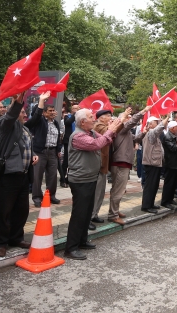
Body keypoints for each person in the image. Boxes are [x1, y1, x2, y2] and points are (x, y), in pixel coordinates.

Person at [65, 109, 122, 260]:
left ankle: (82, 241)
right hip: (80, 180)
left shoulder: (90, 132)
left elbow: (105, 140)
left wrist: (113, 129)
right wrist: (110, 130)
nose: (94, 119)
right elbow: (97, 144)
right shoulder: (78, 136)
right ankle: (71, 248)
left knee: (86, 212)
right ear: (82, 122)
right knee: (79, 214)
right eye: (91, 117)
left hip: (90, 177)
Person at [0, 93, 38, 258]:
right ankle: (0, 242)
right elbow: (11, 115)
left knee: (21, 210)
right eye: (22, 111)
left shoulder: (24, 128)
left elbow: (25, 147)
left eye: (25, 111)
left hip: (23, 175)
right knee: (4, 211)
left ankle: (16, 238)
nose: (25, 114)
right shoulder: (6, 124)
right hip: (8, 176)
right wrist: (17, 102)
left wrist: (33, 155)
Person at [107, 106, 149, 225]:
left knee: (118, 189)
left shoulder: (126, 132)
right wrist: (143, 112)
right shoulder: (120, 129)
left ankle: (114, 210)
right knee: (118, 190)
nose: (129, 120)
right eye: (127, 118)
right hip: (120, 162)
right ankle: (113, 215)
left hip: (123, 162)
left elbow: (135, 139)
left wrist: (143, 133)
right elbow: (131, 123)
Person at [25, 91, 62, 207]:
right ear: (44, 113)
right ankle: (37, 197)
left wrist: (58, 149)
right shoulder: (40, 121)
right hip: (40, 152)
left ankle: (50, 195)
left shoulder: (56, 123)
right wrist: (42, 101)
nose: (53, 112)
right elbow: (36, 113)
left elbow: (58, 137)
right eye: (50, 111)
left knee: (52, 175)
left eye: (53, 110)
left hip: (52, 152)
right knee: (37, 176)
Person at [89, 110, 125, 228]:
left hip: (104, 164)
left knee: (100, 192)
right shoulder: (98, 126)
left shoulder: (104, 126)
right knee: (95, 192)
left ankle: (94, 214)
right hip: (98, 164)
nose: (110, 118)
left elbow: (114, 132)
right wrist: (122, 119)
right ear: (100, 118)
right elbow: (109, 132)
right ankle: (89, 217)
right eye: (108, 116)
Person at [141, 114, 168, 213]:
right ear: (151, 124)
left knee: (154, 185)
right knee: (150, 185)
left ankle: (150, 203)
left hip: (155, 163)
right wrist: (167, 118)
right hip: (151, 163)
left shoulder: (151, 133)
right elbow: (158, 129)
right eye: (156, 123)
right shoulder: (151, 132)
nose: (158, 125)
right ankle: (146, 206)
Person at [62, 104, 80, 188]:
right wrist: (74, 115)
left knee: (73, 161)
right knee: (66, 161)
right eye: (73, 108)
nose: (75, 110)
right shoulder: (67, 116)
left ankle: (69, 179)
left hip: (77, 141)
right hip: (68, 141)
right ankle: (62, 179)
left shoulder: (80, 119)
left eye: (77, 108)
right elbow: (68, 123)